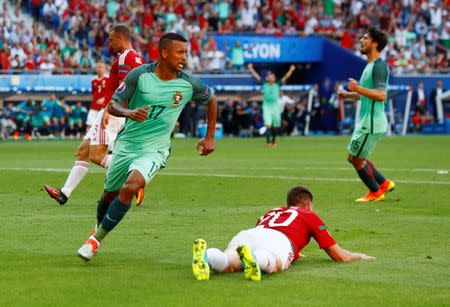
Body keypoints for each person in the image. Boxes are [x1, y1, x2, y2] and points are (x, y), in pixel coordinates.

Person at [77, 32, 217, 262]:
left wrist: (209, 136)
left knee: (131, 187)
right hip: (127, 144)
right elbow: (113, 105)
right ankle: (97, 229)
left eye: (186, 53)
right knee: (109, 194)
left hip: (156, 149)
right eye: (179, 52)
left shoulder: (188, 83)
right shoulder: (139, 76)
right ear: (164, 53)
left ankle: (95, 240)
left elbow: (211, 99)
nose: (184, 57)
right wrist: (130, 112)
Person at [44, 25, 144, 206]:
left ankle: (134, 177)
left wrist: (108, 110)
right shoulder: (135, 57)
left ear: (121, 38)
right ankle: (64, 193)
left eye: (112, 39)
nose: (109, 43)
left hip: (114, 111)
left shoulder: (125, 57)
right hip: (113, 110)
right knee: (83, 151)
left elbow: (124, 88)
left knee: (96, 155)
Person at [192, 186, 375, 281]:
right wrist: (358, 256)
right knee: (275, 261)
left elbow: (266, 233)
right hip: (279, 241)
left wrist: (296, 251)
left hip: (251, 233)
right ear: (308, 204)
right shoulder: (308, 214)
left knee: (230, 262)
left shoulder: (272, 211)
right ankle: (258, 259)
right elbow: (339, 256)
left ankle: (209, 256)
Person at [338, 27, 395, 202]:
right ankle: (383, 183)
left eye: (365, 38)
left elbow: (381, 95)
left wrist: (358, 88)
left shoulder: (379, 66)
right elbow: (365, 94)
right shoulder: (370, 66)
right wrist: (348, 94)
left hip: (371, 122)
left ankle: (376, 192)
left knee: (354, 158)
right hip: (367, 121)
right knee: (356, 157)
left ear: (374, 43)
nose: (361, 41)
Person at [247, 63, 296, 147]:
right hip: (267, 107)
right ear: (268, 78)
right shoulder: (264, 85)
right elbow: (257, 77)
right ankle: (268, 142)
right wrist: (251, 69)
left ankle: (273, 141)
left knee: (275, 126)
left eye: (272, 76)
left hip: (275, 108)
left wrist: (291, 70)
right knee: (268, 125)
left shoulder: (277, 85)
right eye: (269, 76)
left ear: (274, 78)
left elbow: (286, 77)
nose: (271, 77)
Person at [86, 62, 108, 132]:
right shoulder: (93, 80)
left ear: (105, 69)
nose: (99, 68)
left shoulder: (108, 79)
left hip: (104, 108)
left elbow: (113, 92)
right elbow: (94, 93)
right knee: (89, 126)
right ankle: (90, 141)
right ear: (95, 69)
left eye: (101, 67)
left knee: (105, 127)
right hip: (94, 107)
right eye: (98, 67)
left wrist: (105, 98)